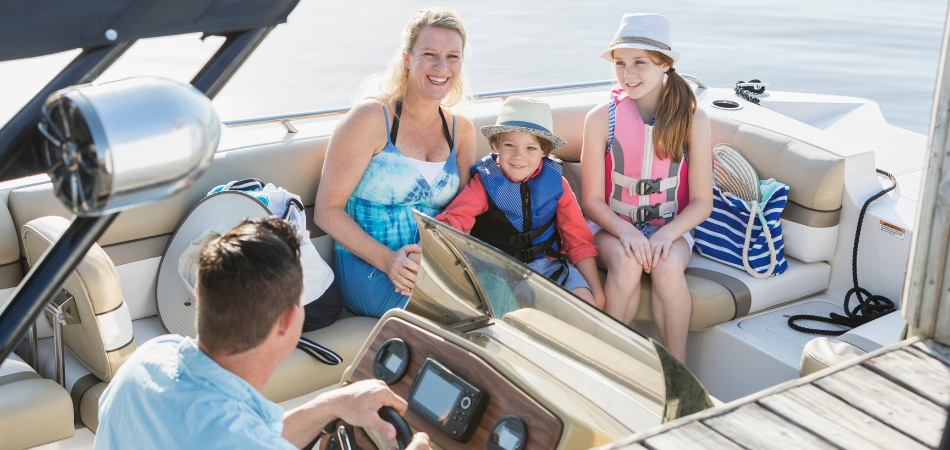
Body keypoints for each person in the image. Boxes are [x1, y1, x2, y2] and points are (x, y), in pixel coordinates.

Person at [95, 217, 430, 450]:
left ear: (199, 293)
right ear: (287, 321)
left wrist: (331, 405)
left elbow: (251, 436)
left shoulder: (146, 361)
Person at [314, 8, 477, 318]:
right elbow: (327, 211)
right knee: (459, 319)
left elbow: (464, 213)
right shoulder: (371, 119)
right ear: (407, 58)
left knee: (508, 303)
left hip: (435, 269)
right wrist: (390, 261)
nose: (441, 67)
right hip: (372, 269)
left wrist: (439, 262)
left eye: (452, 57)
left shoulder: (462, 131)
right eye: (429, 54)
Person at [580, 13, 712, 362]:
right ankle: (608, 363)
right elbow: (591, 200)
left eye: (640, 62)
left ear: (664, 64)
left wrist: (667, 234)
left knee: (667, 268)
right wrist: (626, 231)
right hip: (610, 227)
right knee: (627, 262)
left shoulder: (694, 119)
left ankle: (676, 370)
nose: (628, 74)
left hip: (672, 228)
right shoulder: (600, 119)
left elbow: (702, 202)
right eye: (620, 63)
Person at [436, 97, 606, 309]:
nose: (519, 156)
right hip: (499, 271)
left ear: (544, 151)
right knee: (518, 314)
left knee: (587, 306)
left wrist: (597, 292)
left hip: (551, 265)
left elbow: (578, 242)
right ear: (496, 144)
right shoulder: (484, 183)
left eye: (531, 148)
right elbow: (455, 219)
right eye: (510, 145)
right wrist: (435, 236)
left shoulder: (556, 184)